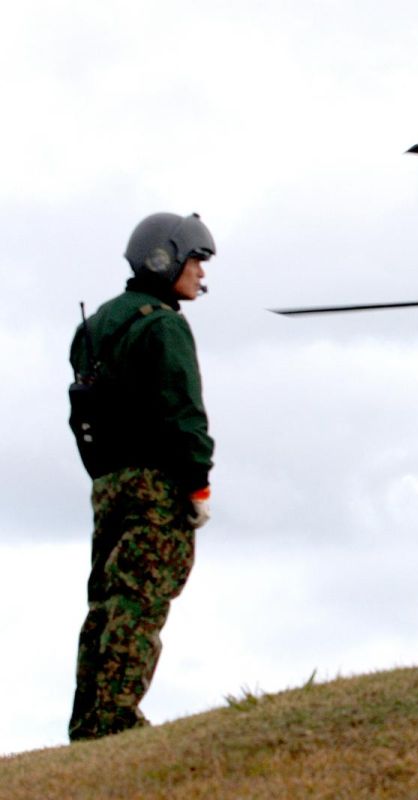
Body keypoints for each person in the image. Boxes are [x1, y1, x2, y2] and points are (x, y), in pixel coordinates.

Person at [66, 212, 216, 741]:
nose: (200, 272)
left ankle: (88, 720)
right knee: (141, 600)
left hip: (107, 485)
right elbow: (184, 414)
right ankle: (115, 720)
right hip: (156, 485)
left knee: (105, 603)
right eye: (194, 259)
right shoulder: (166, 326)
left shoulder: (94, 326)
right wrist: (197, 485)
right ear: (165, 258)